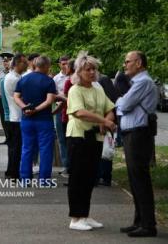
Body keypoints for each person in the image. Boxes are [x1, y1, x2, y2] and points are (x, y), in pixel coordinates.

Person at [65, 52, 116, 231]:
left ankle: (85, 214)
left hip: (95, 137)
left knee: (90, 177)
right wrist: (103, 121)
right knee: (78, 177)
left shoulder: (98, 88)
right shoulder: (75, 90)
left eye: (94, 69)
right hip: (78, 137)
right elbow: (79, 112)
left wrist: (107, 120)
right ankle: (75, 218)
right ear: (79, 71)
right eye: (88, 69)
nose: (92, 72)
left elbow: (110, 107)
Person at [116, 51, 158, 237]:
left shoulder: (142, 82)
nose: (125, 65)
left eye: (127, 62)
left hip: (138, 135)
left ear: (139, 63)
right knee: (135, 180)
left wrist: (119, 100)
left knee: (140, 179)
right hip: (133, 134)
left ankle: (148, 225)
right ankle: (140, 221)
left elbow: (124, 106)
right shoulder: (138, 82)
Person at [14, 55, 57, 185]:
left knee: (26, 148)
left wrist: (25, 108)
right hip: (44, 120)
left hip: (27, 120)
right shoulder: (49, 81)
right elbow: (49, 101)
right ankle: (43, 180)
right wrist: (36, 110)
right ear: (45, 66)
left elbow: (16, 97)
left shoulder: (23, 79)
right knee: (45, 150)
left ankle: (25, 179)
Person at [4, 53, 28, 179]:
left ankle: (11, 171)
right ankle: (14, 173)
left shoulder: (14, 76)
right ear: (18, 63)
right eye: (24, 62)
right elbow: (21, 96)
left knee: (14, 147)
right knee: (16, 147)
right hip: (16, 117)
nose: (26, 64)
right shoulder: (14, 78)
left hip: (15, 116)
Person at [96, 73, 120, 186]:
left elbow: (109, 105)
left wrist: (104, 122)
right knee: (104, 149)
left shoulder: (102, 81)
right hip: (106, 121)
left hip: (105, 121)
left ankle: (103, 176)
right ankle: (103, 176)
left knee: (103, 149)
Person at [53, 56, 70, 174]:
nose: (64, 66)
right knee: (61, 138)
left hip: (71, 110)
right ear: (59, 64)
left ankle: (73, 164)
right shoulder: (56, 79)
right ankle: (65, 165)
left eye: (66, 63)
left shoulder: (74, 77)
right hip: (59, 110)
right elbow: (52, 94)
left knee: (72, 138)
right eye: (62, 63)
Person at [0, 52, 14, 145]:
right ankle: (7, 137)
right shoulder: (1, 73)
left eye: (7, 61)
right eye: (4, 62)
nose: (5, 63)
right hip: (2, 99)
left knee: (12, 117)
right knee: (4, 118)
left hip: (11, 99)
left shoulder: (14, 73)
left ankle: (12, 137)